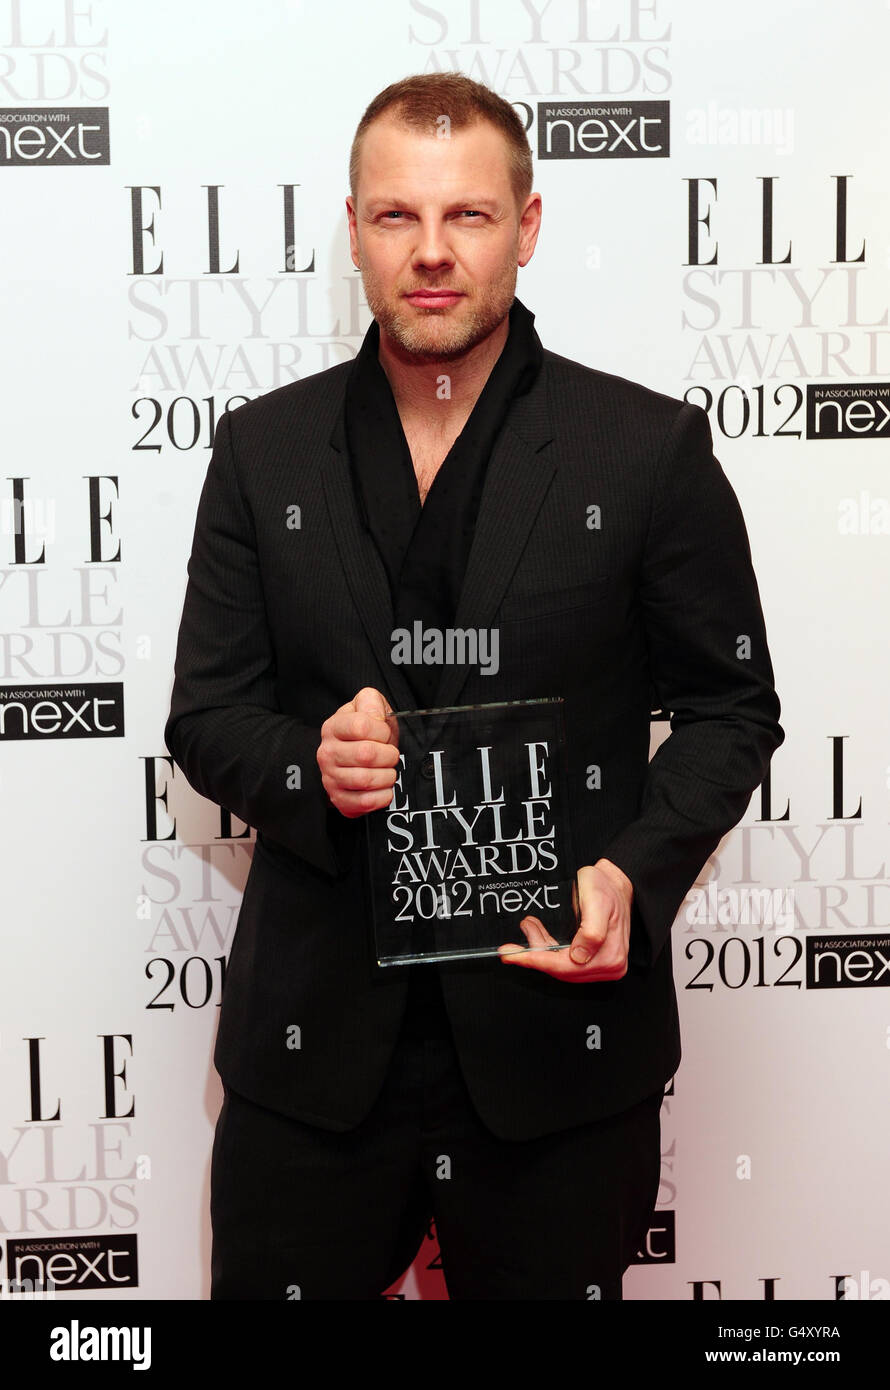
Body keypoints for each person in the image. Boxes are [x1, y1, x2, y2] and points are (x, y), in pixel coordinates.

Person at [164, 72, 784, 1301]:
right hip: (317, 1065)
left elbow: (730, 709)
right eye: (397, 217)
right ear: (350, 228)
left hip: (557, 1050)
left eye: (469, 217)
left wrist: (634, 869)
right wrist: (309, 766)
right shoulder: (261, 450)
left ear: (528, 226)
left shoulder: (642, 450)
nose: (432, 253)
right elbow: (206, 711)